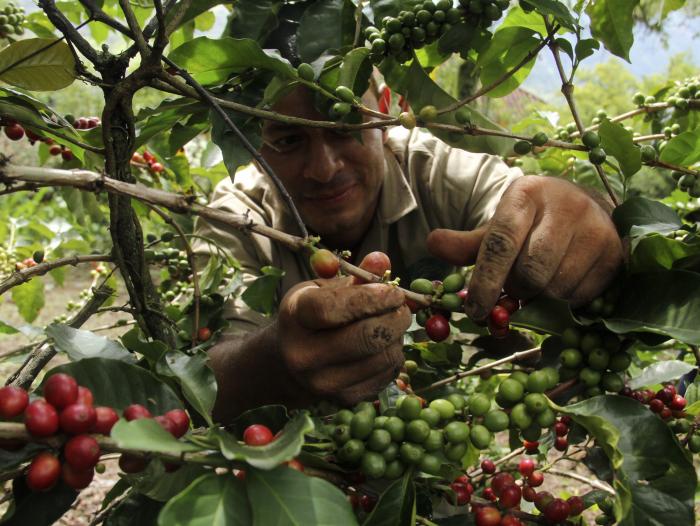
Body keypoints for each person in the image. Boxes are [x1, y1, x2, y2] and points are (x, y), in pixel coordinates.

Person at [193, 42, 623, 426]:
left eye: (345, 128)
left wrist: (580, 215)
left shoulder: (434, 171)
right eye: (288, 141)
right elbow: (201, 380)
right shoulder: (234, 219)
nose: (324, 169)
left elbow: (519, 203)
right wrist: (272, 362)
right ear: (252, 144)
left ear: (385, 108)